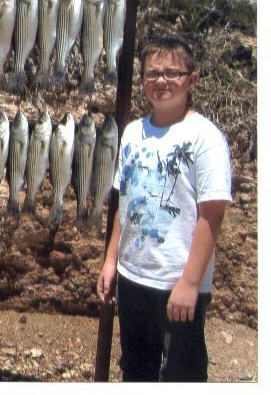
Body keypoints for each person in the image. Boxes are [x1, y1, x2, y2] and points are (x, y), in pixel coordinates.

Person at [96, 36, 232, 381]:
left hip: (178, 283)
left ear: (191, 80)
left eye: (172, 73)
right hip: (132, 278)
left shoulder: (205, 137)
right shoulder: (132, 133)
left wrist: (189, 283)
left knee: (180, 374)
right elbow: (123, 205)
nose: (161, 81)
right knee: (136, 369)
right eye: (152, 73)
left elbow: (211, 215)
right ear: (141, 81)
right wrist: (111, 262)